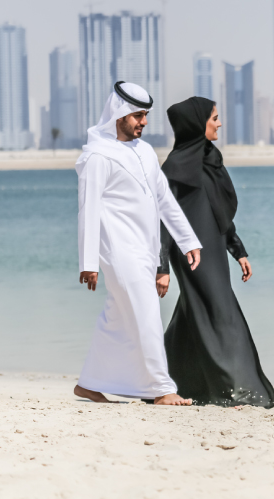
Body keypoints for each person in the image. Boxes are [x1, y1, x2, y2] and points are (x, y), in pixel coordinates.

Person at [75, 81, 202, 405]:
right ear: (119, 114)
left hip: (144, 249)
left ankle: (89, 383)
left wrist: (188, 241)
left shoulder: (145, 152)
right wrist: (88, 263)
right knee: (146, 312)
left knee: (116, 316)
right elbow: (87, 210)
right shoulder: (97, 156)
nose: (143, 122)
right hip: (118, 251)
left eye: (145, 115)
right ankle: (162, 389)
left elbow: (164, 200)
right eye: (137, 116)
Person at [157, 97, 274, 408]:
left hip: (214, 249)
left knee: (193, 315)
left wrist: (238, 251)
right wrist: (162, 267)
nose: (219, 123)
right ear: (198, 124)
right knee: (219, 313)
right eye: (214, 118)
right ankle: (230, 390)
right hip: (190, 255)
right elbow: (163, 221)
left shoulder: (211, 159)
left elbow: (219, 212)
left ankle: (165, 380)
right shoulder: (174, 167)